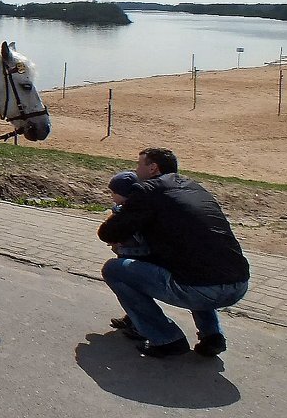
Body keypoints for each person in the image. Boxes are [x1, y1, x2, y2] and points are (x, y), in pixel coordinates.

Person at [99, 147, 250, 358]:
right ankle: (212, 336)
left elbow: (108, 232)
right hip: (239, 283)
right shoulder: (196, 188)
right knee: (194, 264)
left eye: (139, 164)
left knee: (114, 270)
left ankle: (166, 338)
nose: (136, 169)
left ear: (153, 168)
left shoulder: (147, 191)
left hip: (199, 289)